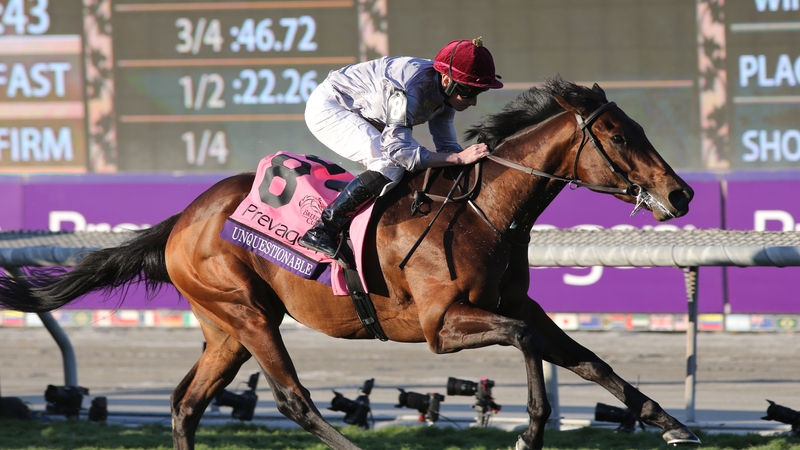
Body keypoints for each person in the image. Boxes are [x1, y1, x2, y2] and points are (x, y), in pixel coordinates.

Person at [299, 37, 503, 258]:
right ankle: (323, 229)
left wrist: (466, 161)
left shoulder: (444, 91)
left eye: (478, 93)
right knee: (389, 164)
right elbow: (400, 152)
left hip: (364, 111)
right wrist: (458, 159)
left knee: (415, 162)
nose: (473, 102)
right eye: (469, 92)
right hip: (330, 106)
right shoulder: (406, 91)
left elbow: (447, 147)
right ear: (446, 80)